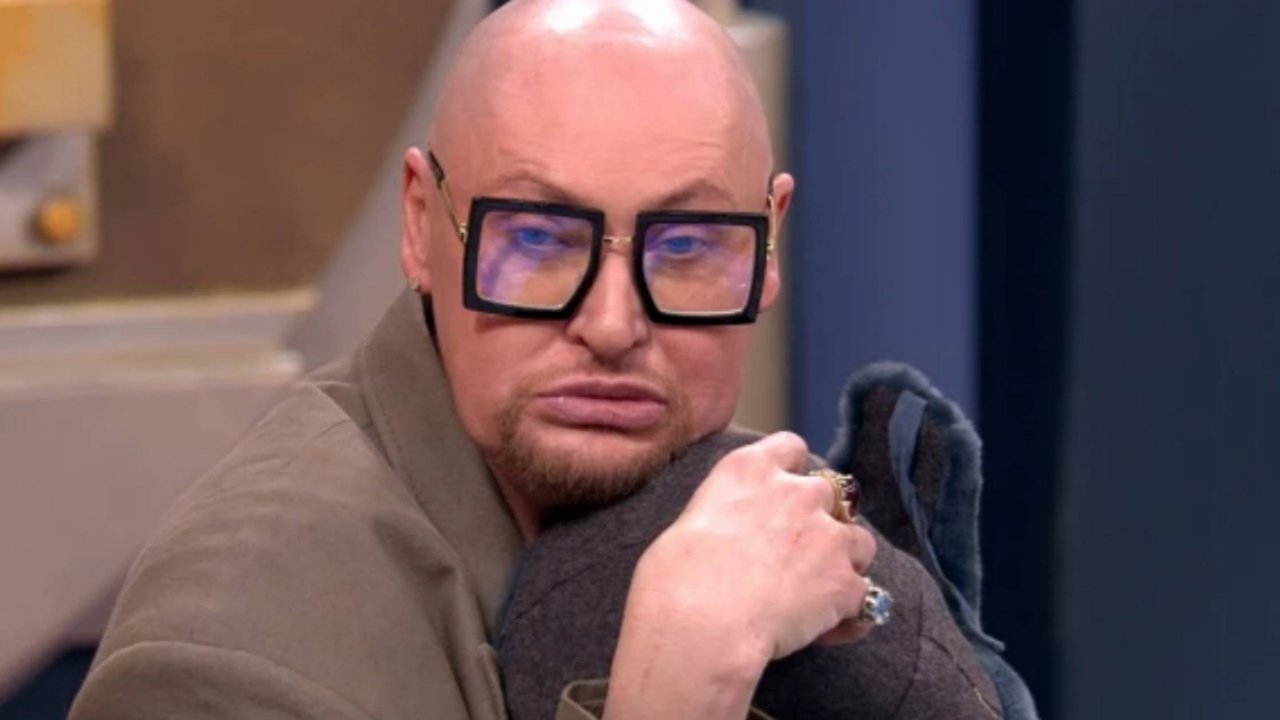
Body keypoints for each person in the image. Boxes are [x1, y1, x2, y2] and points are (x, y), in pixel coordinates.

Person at [70, 1, 1001, 718]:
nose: (611, 325)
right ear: (420, 225)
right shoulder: (228, 657)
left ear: (767, 249)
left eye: (686, 246)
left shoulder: (696, 514)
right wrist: (675, 690)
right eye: (540, 238)